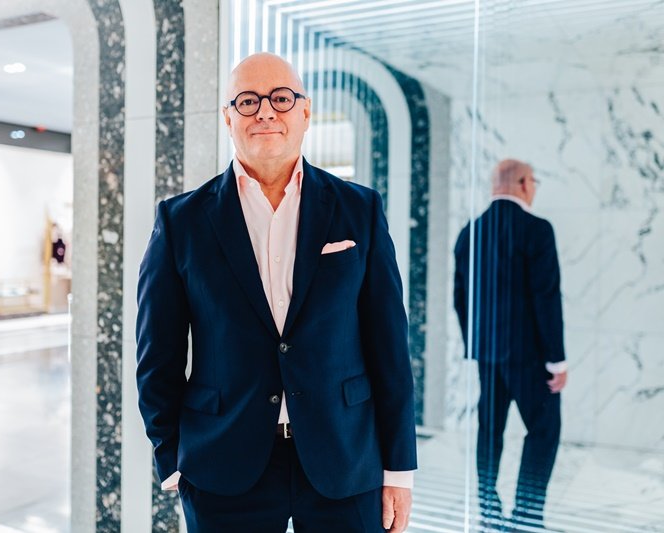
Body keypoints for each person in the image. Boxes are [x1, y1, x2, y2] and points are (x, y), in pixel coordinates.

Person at [136, 52, 417, 532]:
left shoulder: (360, 209)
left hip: (345, 459)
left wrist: (398, 469)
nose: (265, 111)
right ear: (228, 118)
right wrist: (172, 456)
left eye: (281, 98)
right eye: (247, 101)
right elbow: (156, 355)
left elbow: (388, 346)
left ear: (305, 112)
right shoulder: (181, 222)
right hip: (223, 465)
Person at [453, 159, 567, 530]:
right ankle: (525, 517)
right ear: (522, 183)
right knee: (544, 430)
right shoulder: (536, 229)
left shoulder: (470, 232)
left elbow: (460, 298)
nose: (533, 189)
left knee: (489, 432)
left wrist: (477, 345)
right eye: (533, 182)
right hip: (530, 357)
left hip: (487, 355)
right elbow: (546, 297)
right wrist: (557, 361)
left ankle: (489, 514)